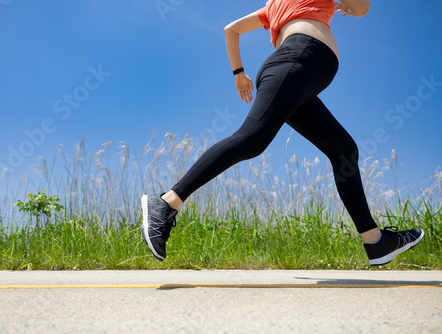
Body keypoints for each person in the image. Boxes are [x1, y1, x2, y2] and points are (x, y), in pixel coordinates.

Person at [141, 0, 424, 266]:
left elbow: (231, 29)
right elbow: (362, 8)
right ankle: (166, 201)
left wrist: (239, 72)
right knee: (251, 139)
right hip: (297, 63)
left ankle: (375, 241)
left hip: (296, 74)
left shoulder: (273, 6)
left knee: (343, 151)